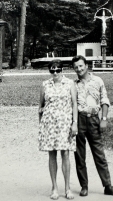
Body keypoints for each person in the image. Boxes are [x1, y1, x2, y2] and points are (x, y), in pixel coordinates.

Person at [71, 55, 113, 197]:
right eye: (76, 67)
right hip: (79, 120)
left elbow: (104, 100)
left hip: (93, 120)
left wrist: (104, 119)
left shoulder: (98, 80)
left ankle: (108, 186)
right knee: (79, 156)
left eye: (81, 66)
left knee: (99, 154)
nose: (79, 69)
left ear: (86, 66)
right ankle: (84, 186)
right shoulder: (73, 85)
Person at [38, 59, 78, 200]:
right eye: (52, 70)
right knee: (52, 155)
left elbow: (74, 104)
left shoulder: (70, 84)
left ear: (62, 70)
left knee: (65, 154)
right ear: (50, 71)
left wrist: (75, 123)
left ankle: (67, 188)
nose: (55, 72)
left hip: (65, 123)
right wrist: (41, 125)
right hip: (49, 124)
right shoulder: (45, 85)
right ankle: (54, 187)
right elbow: (41, 106)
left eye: (58, 69)